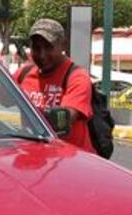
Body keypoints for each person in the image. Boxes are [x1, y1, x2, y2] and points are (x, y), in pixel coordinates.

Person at [14, 18, 96, 154]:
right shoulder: (24, 73)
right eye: (36, 48)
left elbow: (64, 119)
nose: (42, 55)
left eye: (48, 47)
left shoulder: (77, 77)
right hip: (36, 156)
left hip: (71, 159)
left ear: (63, 45)